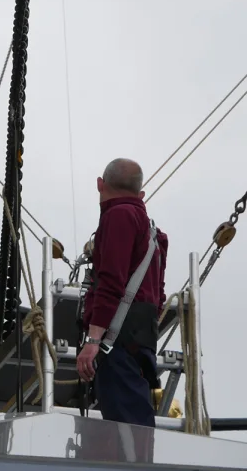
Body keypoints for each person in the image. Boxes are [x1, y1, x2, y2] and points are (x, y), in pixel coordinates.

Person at [76, 158, 169, 427]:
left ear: (100, 184)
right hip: (141, 339)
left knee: (124, 429)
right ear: (141, 194)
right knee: (135, 422)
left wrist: (94, 341)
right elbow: (158, 295)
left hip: (117, 341)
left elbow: (111, 282)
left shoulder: (119, 216)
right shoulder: (154, 233)